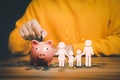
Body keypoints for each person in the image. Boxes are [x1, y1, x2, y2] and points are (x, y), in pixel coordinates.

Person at [9, 0, 120, 56]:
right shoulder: (40, 3)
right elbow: (13, 45)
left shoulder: (112, 3)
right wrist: (24, 36)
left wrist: (73, 49)